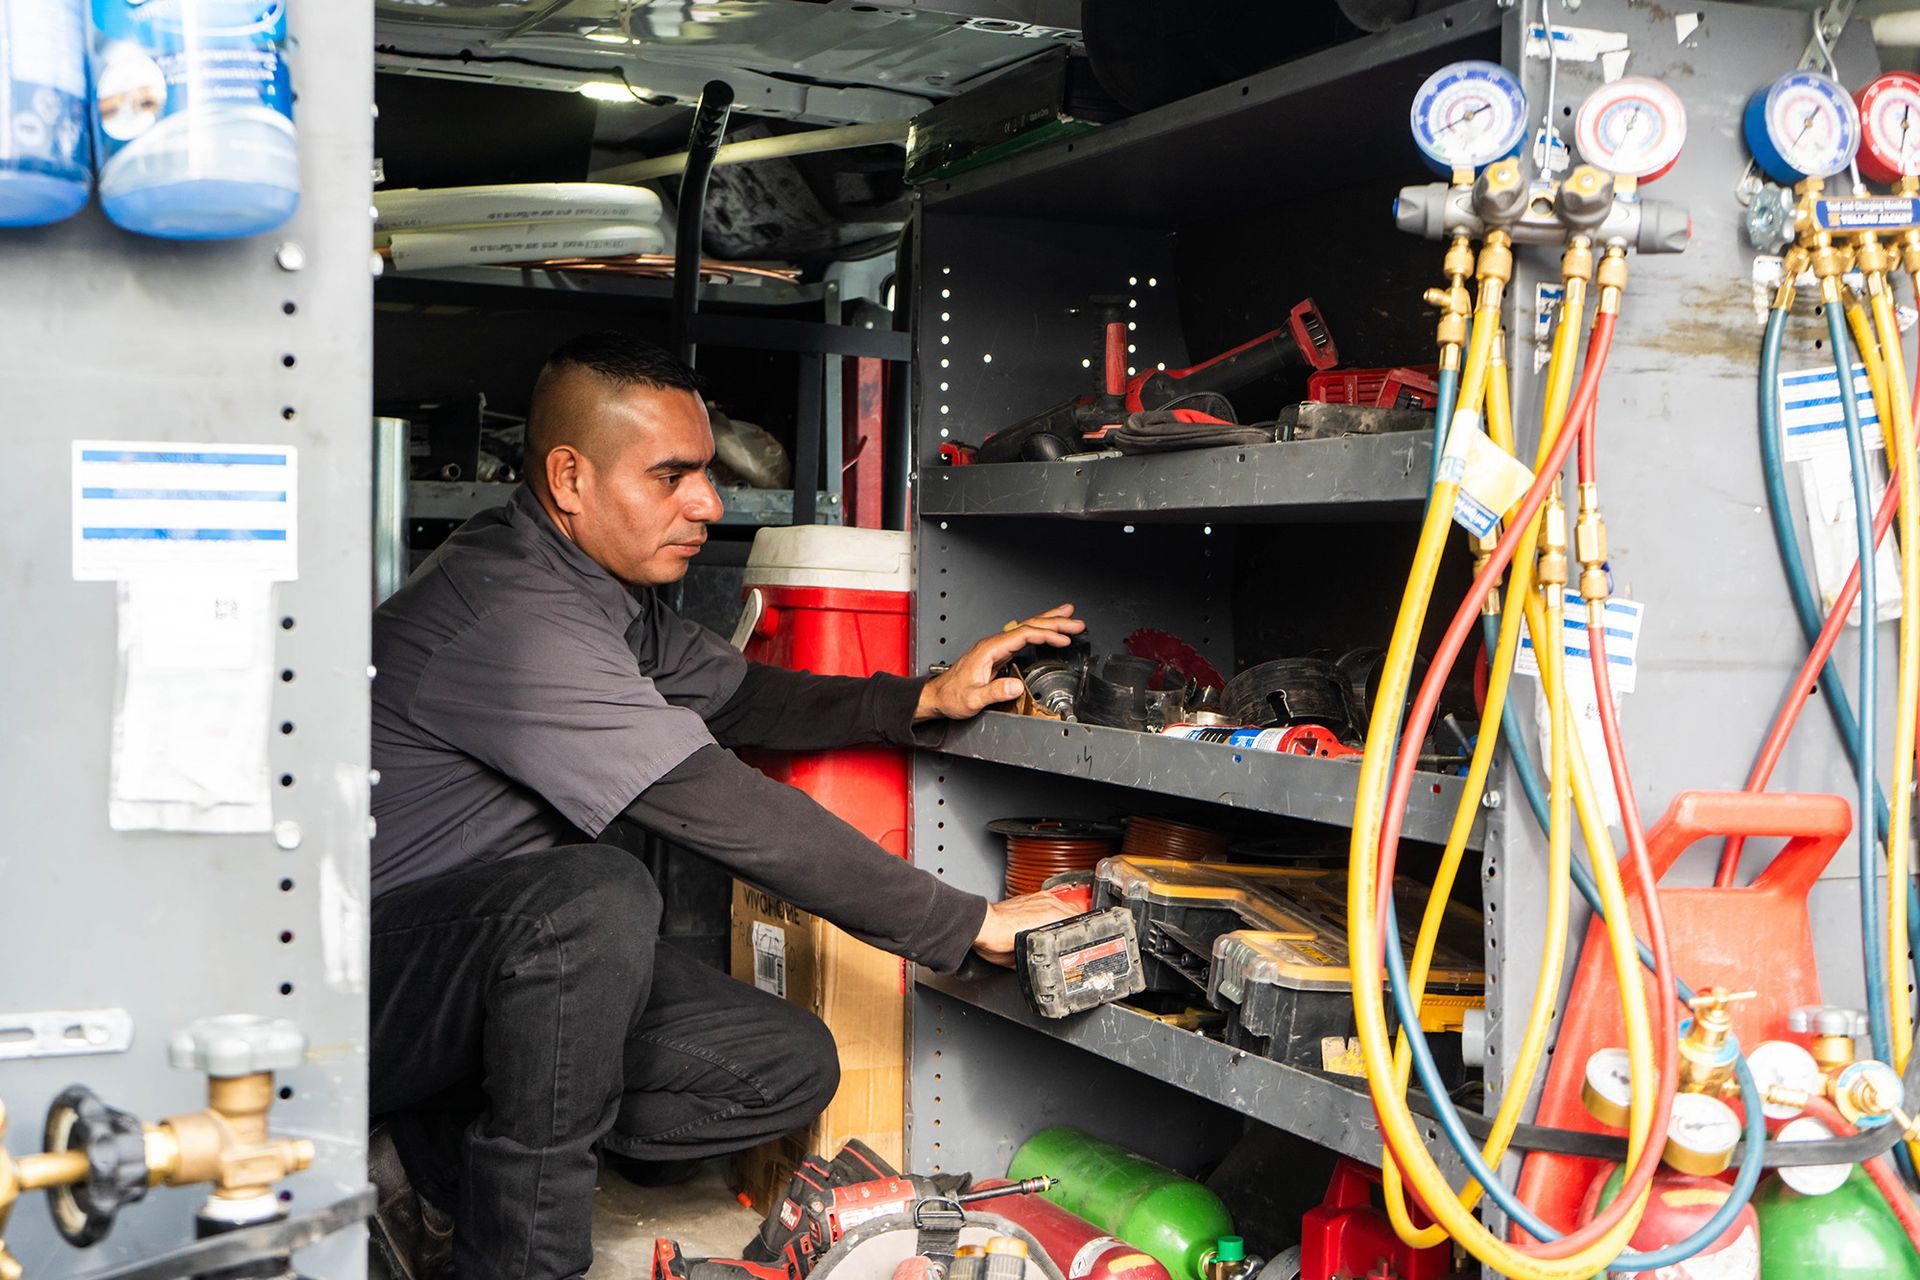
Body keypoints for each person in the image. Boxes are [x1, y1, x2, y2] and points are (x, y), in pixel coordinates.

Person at [366, 331, 1084, 1280]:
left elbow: (747, 697)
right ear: (570, 479)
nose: (706, 503)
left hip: (494, 972)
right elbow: (725, 809)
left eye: (705, 471)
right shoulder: (512, 619)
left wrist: (919, 698)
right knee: (594, 898)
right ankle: (510, 1257)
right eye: (670, 477)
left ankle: (440, 1149)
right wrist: (969, 922)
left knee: (780, 1062)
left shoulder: (602, 590)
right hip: (367, 993)